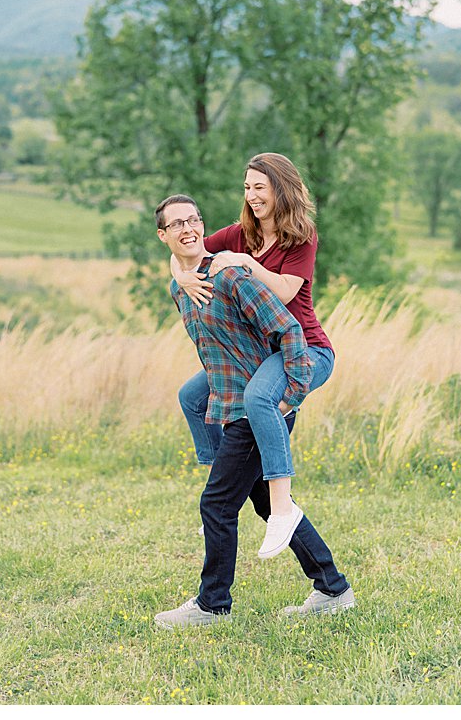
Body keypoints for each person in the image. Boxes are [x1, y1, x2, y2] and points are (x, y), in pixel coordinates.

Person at [152, 194, 355, 628]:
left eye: (194, 220)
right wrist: (181, 275)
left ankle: (213, 606)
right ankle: (332, 588)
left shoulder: (232, 276)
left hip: (260, 404)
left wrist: (290, 396)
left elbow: (288, 329)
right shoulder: (179, 287)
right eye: (177, 224)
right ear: (163, 235)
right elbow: (214, 352)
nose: (188, 229)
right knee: (261, 501)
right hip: (232, 402)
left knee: (218, 503)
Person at [170, 152, 335, 559]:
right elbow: (187, 248)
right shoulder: (239, 231)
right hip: (262, 355)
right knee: (192, 397)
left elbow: (284, 293)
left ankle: (282, 508)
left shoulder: (302, 238)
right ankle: (221, 480)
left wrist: (245, 262)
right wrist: (182, 277)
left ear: (280, 188)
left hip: (305, 351)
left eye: (259, 187)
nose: (251, 195)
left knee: (260, 399)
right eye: (247, 187)